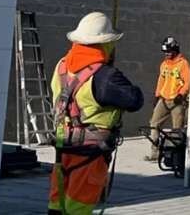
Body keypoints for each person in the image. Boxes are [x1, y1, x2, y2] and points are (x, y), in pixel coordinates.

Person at [50, 12, 143, 215]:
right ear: (105, 44)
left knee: (58, 202)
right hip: (89, 152)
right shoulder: (105, 77)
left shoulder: (61, 66)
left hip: (62, 145)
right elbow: (135, 100)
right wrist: (110, 68)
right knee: (79, 206)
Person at [146, 35, 190, 161]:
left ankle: (176, 155)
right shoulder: (164, 65)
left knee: (177, 129)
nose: (166, 54)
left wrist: (182, 94)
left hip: (177, 101)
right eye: (165, 52)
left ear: (175, 50)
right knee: (154, 123)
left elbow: (188, 81)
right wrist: (157, 95)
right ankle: (154, 152)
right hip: (164, 99)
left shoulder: (183, 64)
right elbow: (161, 80)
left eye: (169, 51)